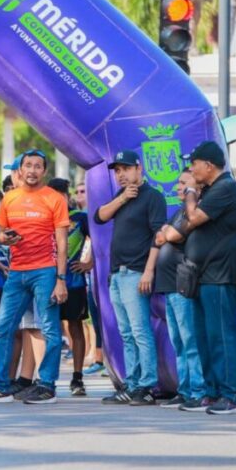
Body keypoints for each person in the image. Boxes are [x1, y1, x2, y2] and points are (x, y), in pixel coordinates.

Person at [0, 150, 69, 405]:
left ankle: (47, 385)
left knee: (49, 328)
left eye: (38, 166)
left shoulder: (54, 199)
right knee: (3, 327)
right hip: (16, 272)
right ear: (20, 170)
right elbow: (1, 233)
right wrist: (5, 238)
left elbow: (62, 242)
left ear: (44, 172)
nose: (32, 170)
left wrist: (61, 279)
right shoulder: (10, 199)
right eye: (28, 165)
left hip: (46, 270)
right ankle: (0, 386)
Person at [172, 141, 236, 414]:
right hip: (205, 274)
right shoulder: (214, 190)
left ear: (209, 165)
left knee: (221, 336)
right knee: (205, 336)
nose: (191, 169)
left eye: (194, 164)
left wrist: (191, 192)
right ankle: (214, 392)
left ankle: (233, 396)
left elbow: (192, 219)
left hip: (221, 273)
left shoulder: (226, 188)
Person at [95, 151, 167, 406]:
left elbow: (159, 236)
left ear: (139, 168)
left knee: (140, 331)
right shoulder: (122, 196)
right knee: (126, 333)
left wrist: (148, 271)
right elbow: (99, 216)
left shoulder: (153, 196)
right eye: (117, 171)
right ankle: (132, 383)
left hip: (136, 272)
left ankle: (147, 386)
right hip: (117, 274)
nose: (121, 174)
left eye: (126, 169)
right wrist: (123, 198)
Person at [153, 168, 206, 409]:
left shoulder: (194, 212)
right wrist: (165, 233)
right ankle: (184, 390)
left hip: (182, 285)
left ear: (195, 187)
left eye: (183, 183)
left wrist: (166, 233)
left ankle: (198, 390)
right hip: (168, 286)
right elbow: (159, 236)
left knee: (190, 340)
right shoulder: (178, 211)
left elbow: (171, 235)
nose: (177, 187)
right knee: (178, 342)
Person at [47, 178, 91, 397]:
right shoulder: (44, 218)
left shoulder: (80, 218)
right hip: (47, 283)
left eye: (61, 195)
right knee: (50, 331)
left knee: (75, 327)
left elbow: (100, 242)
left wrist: (89, 263)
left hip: (74, 283)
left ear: (67, 196)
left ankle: (77, 377)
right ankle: (48, 379)